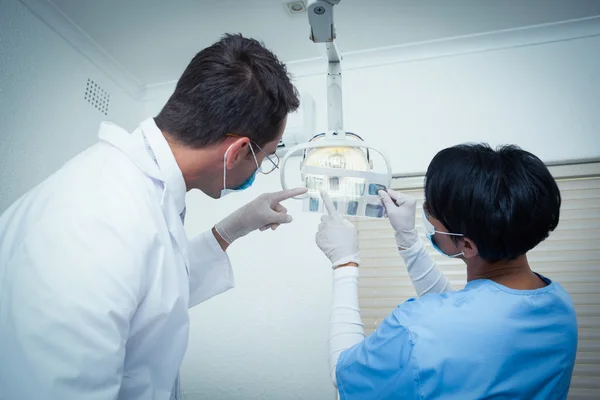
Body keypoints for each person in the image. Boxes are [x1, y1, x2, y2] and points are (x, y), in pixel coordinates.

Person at [0, 33, 307, 400]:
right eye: (266, 156)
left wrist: (234, 227)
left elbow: (154, 291)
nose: (261, 167)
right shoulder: (98, 218)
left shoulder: (138, 190)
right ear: (238, 152)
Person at [316, 144, 578, 399]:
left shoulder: (415, 328)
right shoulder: (558, 304)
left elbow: (344, 373)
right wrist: (407, 240)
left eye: (431, 213)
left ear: (467, 244)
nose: (426, 216)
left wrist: (344, 264)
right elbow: (463, 319)